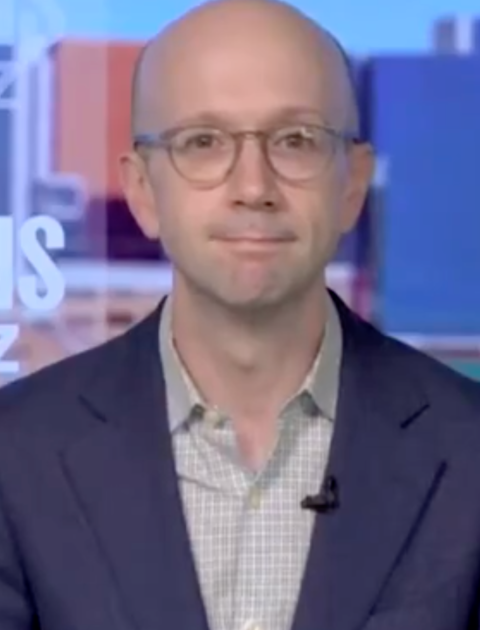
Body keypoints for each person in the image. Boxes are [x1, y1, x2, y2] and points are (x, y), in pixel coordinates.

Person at [1, 0, 480, 629]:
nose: (253, 187)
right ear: (143, 190)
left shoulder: (469, 448)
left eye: (296, 140)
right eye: (203, 142)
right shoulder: (16, 452)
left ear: (353, 185)